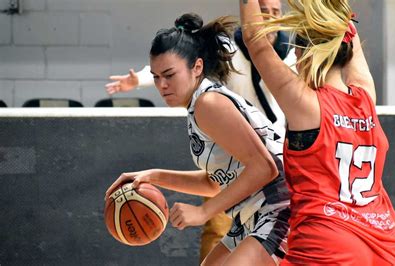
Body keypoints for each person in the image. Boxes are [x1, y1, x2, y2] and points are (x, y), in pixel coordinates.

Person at [104, 0, 295, 261]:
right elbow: (214, 183)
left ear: (197, 68)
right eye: (157, 77)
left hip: (281, 207)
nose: (162, 85)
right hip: (252, 213)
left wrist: (202, 213)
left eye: (169, 75)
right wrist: (152, 176)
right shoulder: (198, 106)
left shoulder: (209, 103)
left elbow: (265, 167)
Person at [240, 0, 395, 265]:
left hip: (327, 244)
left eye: (296, 53)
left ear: (307, 55)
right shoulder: (366, 97)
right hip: (383, 244)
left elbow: (255, 42)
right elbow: (347, 33)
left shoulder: (307, 105)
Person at [104, 0, 295, 130]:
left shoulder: (293, 53)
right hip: (240, 132)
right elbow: (180, 63)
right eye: (262, 11)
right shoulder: (230, 47)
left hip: (278, 136)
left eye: (275, 11)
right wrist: (139, 79)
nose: (270, 17)